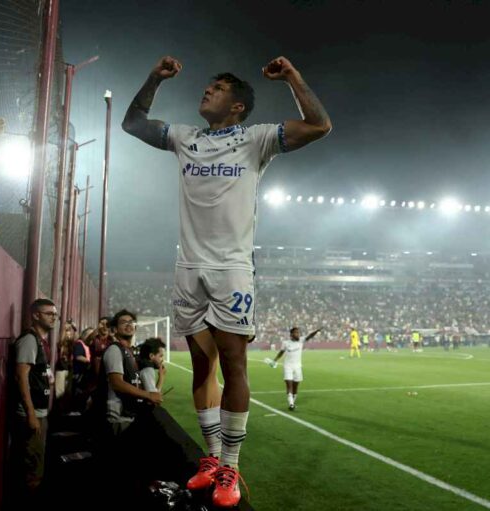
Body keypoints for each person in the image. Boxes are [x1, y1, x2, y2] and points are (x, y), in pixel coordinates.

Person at [122, 54, 331, 507]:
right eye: (208, 86)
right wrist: (153, 78)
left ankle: (232, 469)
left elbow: (319, 125)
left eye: (217, 89)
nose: (207, 91)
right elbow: (133, 122)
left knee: (234, 365)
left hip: (231, 269)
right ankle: (211, 461)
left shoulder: (256, 139)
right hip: (188, 268)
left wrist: (293, 76)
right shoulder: (185, 137)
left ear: (237, 106)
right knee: (202, 367)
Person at [9, 298, 56, 502]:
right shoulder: (29, 339)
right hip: (31, 414)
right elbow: (21, 376)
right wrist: (30, 414)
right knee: (32, 471)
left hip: (39, 412)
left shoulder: (39, 341)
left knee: (36, 465)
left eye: (55, 314)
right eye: (49, 313)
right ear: (36, 315)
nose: (54, 317)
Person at [100, 310, 162, 435]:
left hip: (129, 416)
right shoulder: (114, 350)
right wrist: (148, 395)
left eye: (131, 322)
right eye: (123, 322)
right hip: (117, 419)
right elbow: (117, 383)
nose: (128, 324)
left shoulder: (129, 352)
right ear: (115, 329)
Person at [270, 327, 322, 410]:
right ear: (291, 335)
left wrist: (316, 331)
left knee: (295, 387)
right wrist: (275, 360)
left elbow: (309, 336)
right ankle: (291, 404)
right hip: (288, 366)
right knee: (289, 385)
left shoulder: (301, 340)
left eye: (298, 332)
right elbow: (281, 352)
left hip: (298, 367)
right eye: (296, 333)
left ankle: (292, 402)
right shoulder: (286, 343)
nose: (298, 334)